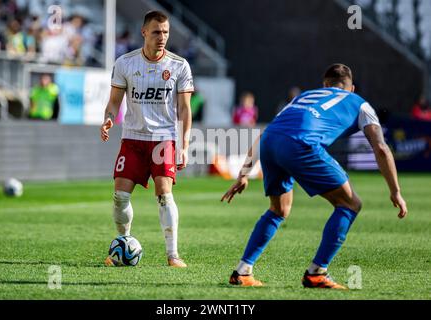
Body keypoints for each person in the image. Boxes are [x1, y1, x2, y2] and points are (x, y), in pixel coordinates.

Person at [222, 64, 408, 289]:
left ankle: (242, 271)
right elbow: (381, 148)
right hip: (301, 144)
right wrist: (395, 191)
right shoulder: (360, 103)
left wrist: (244, 174)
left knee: (279, 209)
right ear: (351, 88)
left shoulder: (305, 96)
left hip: (270, 142)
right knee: (350, 204)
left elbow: (267, 131)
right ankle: (317, 272)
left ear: (325, 85)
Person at [100, 11, 194, 268]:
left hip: (163, 140)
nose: (162, 37)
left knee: (164, 194)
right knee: (120, 197)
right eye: (156, 32)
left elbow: (185, 110)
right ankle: (123, 243)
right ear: (144, 32)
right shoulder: (125, 63)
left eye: (165, 32)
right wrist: (109, 119)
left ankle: (173, 255)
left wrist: (184, 146)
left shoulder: (179, 65)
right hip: (132, 139)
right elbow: (113, 104)